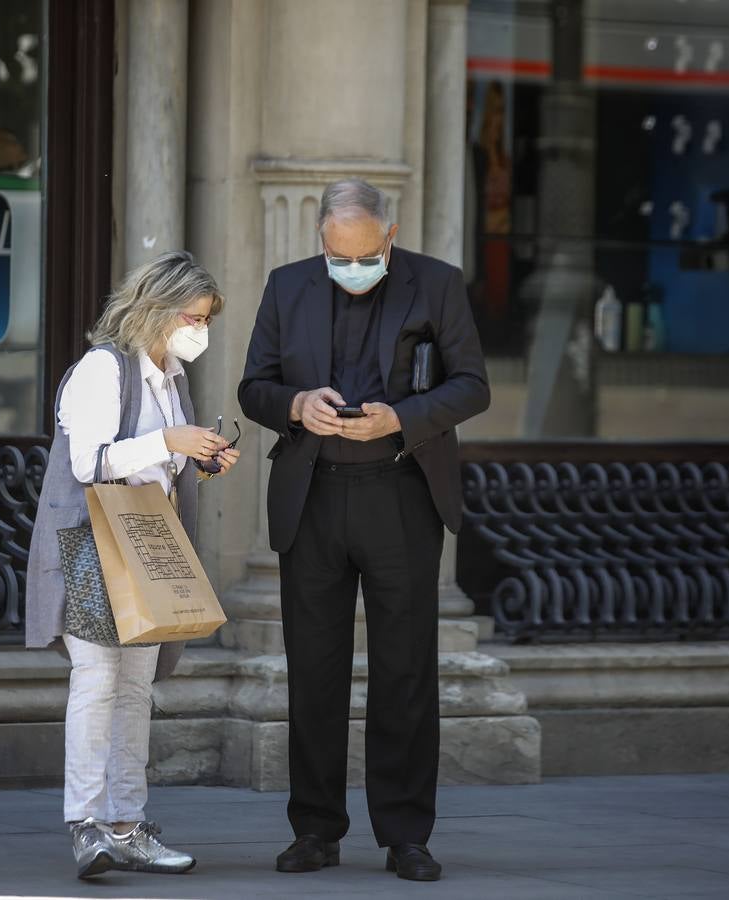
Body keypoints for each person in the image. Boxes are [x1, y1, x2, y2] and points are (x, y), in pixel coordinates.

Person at [238, 179, 490, 882]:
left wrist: (401, 418)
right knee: (312, 672)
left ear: (390, 234)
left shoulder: (437, 284)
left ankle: (406, 834)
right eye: (334, 255)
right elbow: (251, 386)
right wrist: (294, 404)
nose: (349, 270)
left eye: (362, 254)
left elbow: (473, 384)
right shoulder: (287, 286)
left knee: (405, 671)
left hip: (402, 494)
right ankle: (315, 829)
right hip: (313, 497)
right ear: (321, 239)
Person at [25, 250, 240, 879]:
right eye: (194, 317)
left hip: (150, 538)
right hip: (94, 542)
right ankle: (87, 825)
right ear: (155, 309)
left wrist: (197, 455)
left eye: (206, 320)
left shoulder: (169, 375)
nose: (200, 330)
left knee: (135, 687)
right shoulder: (101, 369)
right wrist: (170, 440)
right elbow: (89, 463)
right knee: (96, 680)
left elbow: (155, 461)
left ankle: (127, 824)